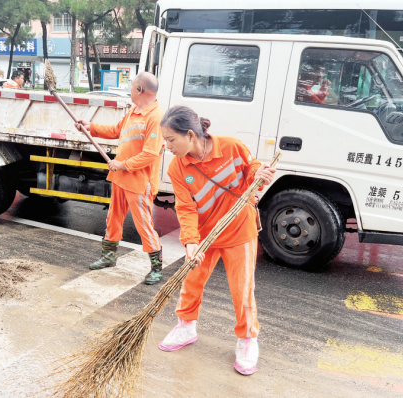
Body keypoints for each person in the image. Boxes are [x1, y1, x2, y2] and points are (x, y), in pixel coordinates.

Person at [157, 106, 276, 376]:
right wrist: (190, 242)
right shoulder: (178, 168)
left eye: (170, 140)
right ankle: (186, 327)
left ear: (189, 135)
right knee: (191, 281)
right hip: (204, 234)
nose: (167, 146)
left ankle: (247, 340)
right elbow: (185, 207)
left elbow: (252, 168)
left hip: (239, 231)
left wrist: (261, 174)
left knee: (242, 289)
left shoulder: (231, 147)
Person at [74, 72, 165, 285]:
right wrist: (91, 127)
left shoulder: (155, 117)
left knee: (144, 224)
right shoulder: (134, 111)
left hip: (140, 181)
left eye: (132, 86)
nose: (130, 89)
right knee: (113, 218)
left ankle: (156, 267)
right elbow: (117, 130)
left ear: (140, 90)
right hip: (120, 178)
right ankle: (109, 256)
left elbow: (150, 154)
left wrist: (122, 165)